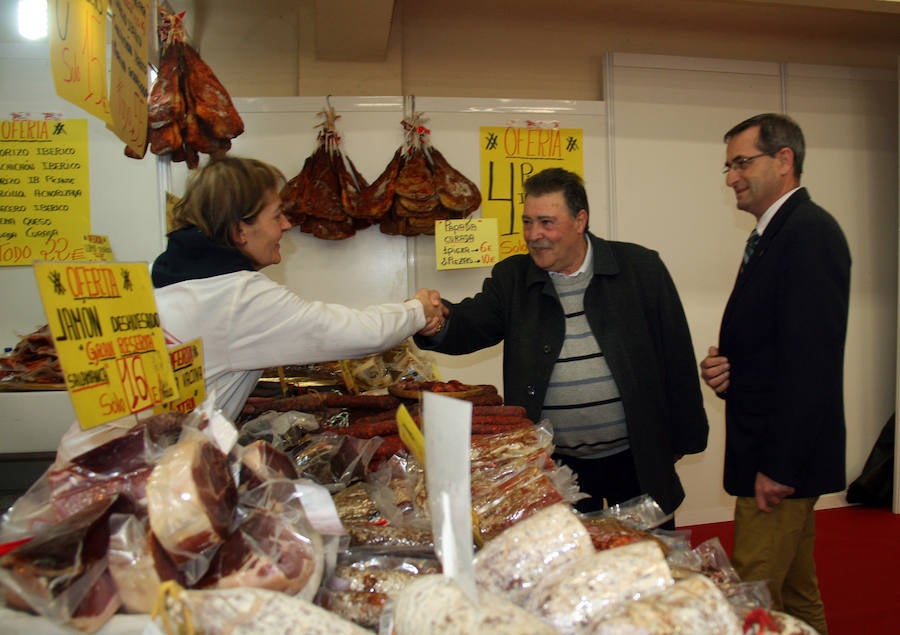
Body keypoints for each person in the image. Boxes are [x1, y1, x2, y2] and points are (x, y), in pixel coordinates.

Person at [415, 167, 708, 526]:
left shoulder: (639, 268)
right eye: (527, 222)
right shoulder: (513, 278)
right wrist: (438, 318)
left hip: (637, 461)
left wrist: (682, 439)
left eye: (546, 222)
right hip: (555, 467)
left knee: (647, 567)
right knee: (569, 570)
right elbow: (472, 323)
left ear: (580, 220)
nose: (533, 234)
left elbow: (676, 353)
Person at [699, 113, 851, 634]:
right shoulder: (778, 232)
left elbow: (813, 362)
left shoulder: (808, 233)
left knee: (754, 603)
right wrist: (730, 371)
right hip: (775, 449)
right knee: (793, 595)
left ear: (784, 160)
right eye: (728, 165)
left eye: (742, 162)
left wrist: (780, 467)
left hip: (779, 461)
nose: (731, 177)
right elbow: (779, 346)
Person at [151, 156, 446, 421]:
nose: (286, 225)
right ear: (238, 231)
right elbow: (352, 333)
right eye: (276, 215)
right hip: (174, 465)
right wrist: (417, 309)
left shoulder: (171, 277)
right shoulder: (235, 297)